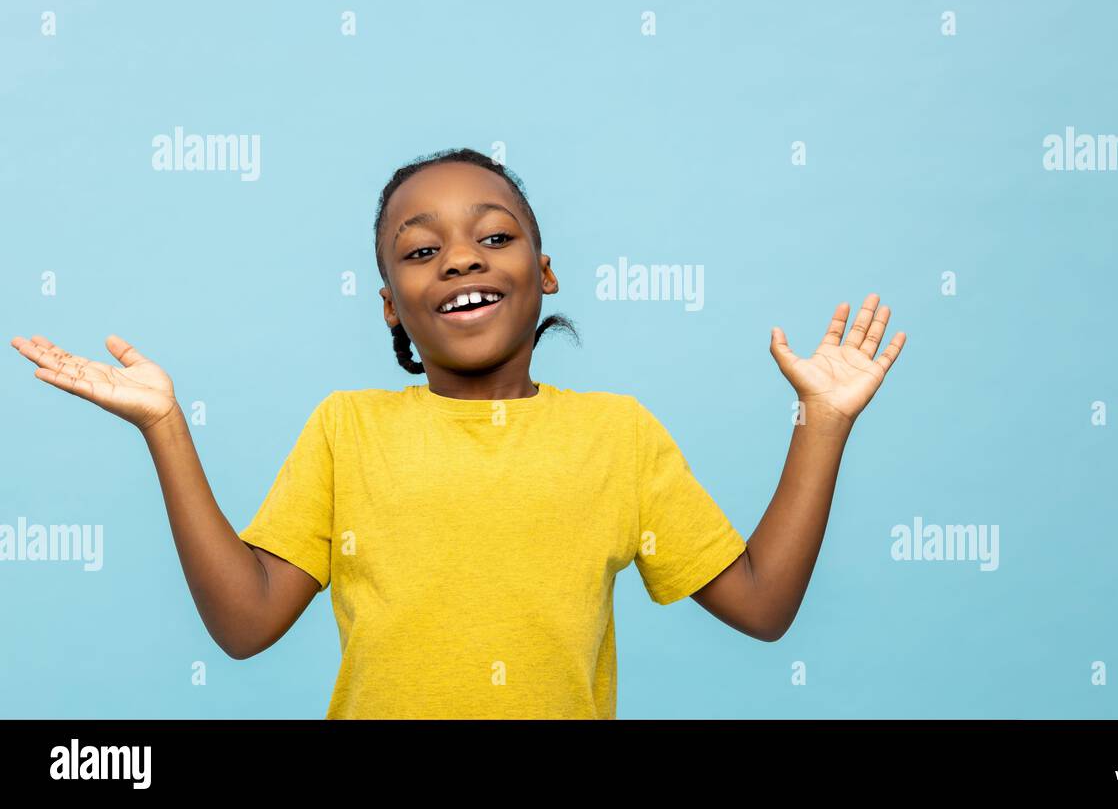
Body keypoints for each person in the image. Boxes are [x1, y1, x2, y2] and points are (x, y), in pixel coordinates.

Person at [10, 147, 906, 719]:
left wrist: (821, 423)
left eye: (495, 235)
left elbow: (762, 606)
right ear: (392, 309)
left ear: (543, 272)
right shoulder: (346, 429)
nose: (462, 258)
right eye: (420, 250)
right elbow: (244, 626)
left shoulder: (617, 436)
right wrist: (167, 427)